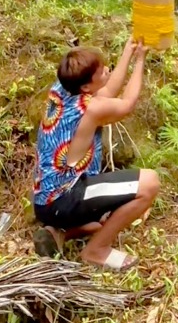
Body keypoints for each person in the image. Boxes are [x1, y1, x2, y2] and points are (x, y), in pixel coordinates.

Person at [32, 38, 159, 271]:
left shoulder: (61, 88)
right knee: (149, 183)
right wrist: (140, 59)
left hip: (45, 202)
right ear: (86, 87)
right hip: (66, 198)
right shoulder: (91, 109)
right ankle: (96, 250)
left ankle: (59, 232)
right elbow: (127, 103)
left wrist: (128, 51)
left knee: (100, 223)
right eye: (101, 72)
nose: (107, 71)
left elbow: (107, 90)